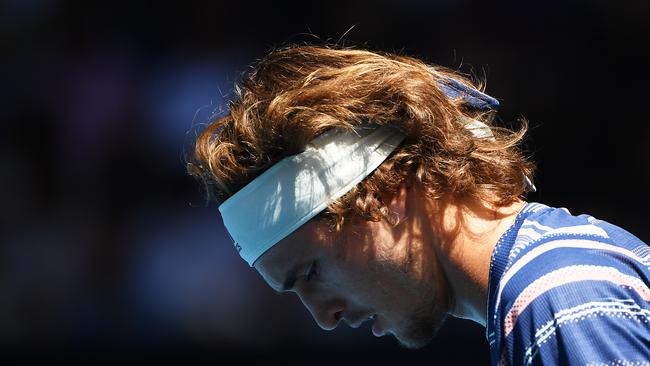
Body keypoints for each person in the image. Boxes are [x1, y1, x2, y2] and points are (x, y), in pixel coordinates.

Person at [186, 44, 650, 365]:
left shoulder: (557, 296)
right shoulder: (544, 292)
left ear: (384, 190)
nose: (324, 319)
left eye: (310, 272)